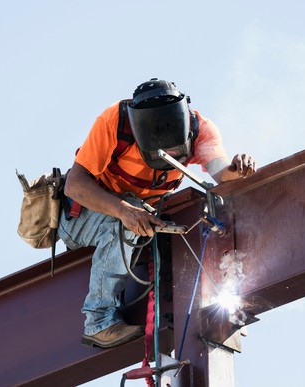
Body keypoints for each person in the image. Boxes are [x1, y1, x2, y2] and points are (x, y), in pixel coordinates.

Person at [59, 78, 256, 348]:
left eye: (176, 148)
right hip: (83, 216)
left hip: (140, 213)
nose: (172, 153)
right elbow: (75, 185)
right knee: (125, 223)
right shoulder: (114, 122)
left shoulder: (201, 129)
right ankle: (98, 322)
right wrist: (122, 211)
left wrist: (238, 169)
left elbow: (224, 176)